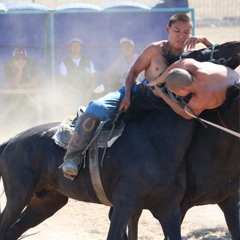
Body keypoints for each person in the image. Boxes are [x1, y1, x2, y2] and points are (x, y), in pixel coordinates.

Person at [61, 13, 213, 180]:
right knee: (97, 108)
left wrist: (204, 41)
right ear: (168, 29)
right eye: (177, 30)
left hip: (166, 104)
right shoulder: (155, 49)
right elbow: (133, 72)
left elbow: (220, 60)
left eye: (186, 32)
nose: (182, 36)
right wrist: (126, 96)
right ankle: (73, 155)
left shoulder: (192, 55)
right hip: (138, 93)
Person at [148, 58, 240, 119]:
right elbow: (173, 67)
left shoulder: (198, 101)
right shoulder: (190, 65)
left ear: (183, 90)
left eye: (175, 92)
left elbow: (185, 114)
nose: (176, 95)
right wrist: (157, 81)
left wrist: (162, 94)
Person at [59, 38, 97, 110]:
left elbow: (94, 78)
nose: (75, 48)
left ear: (81, 48)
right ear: (69, 48)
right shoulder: (64, 63)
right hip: (71, 98)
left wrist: (89, 92)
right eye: (73, 46)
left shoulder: (88, 61)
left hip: (88, 96)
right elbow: (63, 82)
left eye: (77, 46)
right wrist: (78, 92)